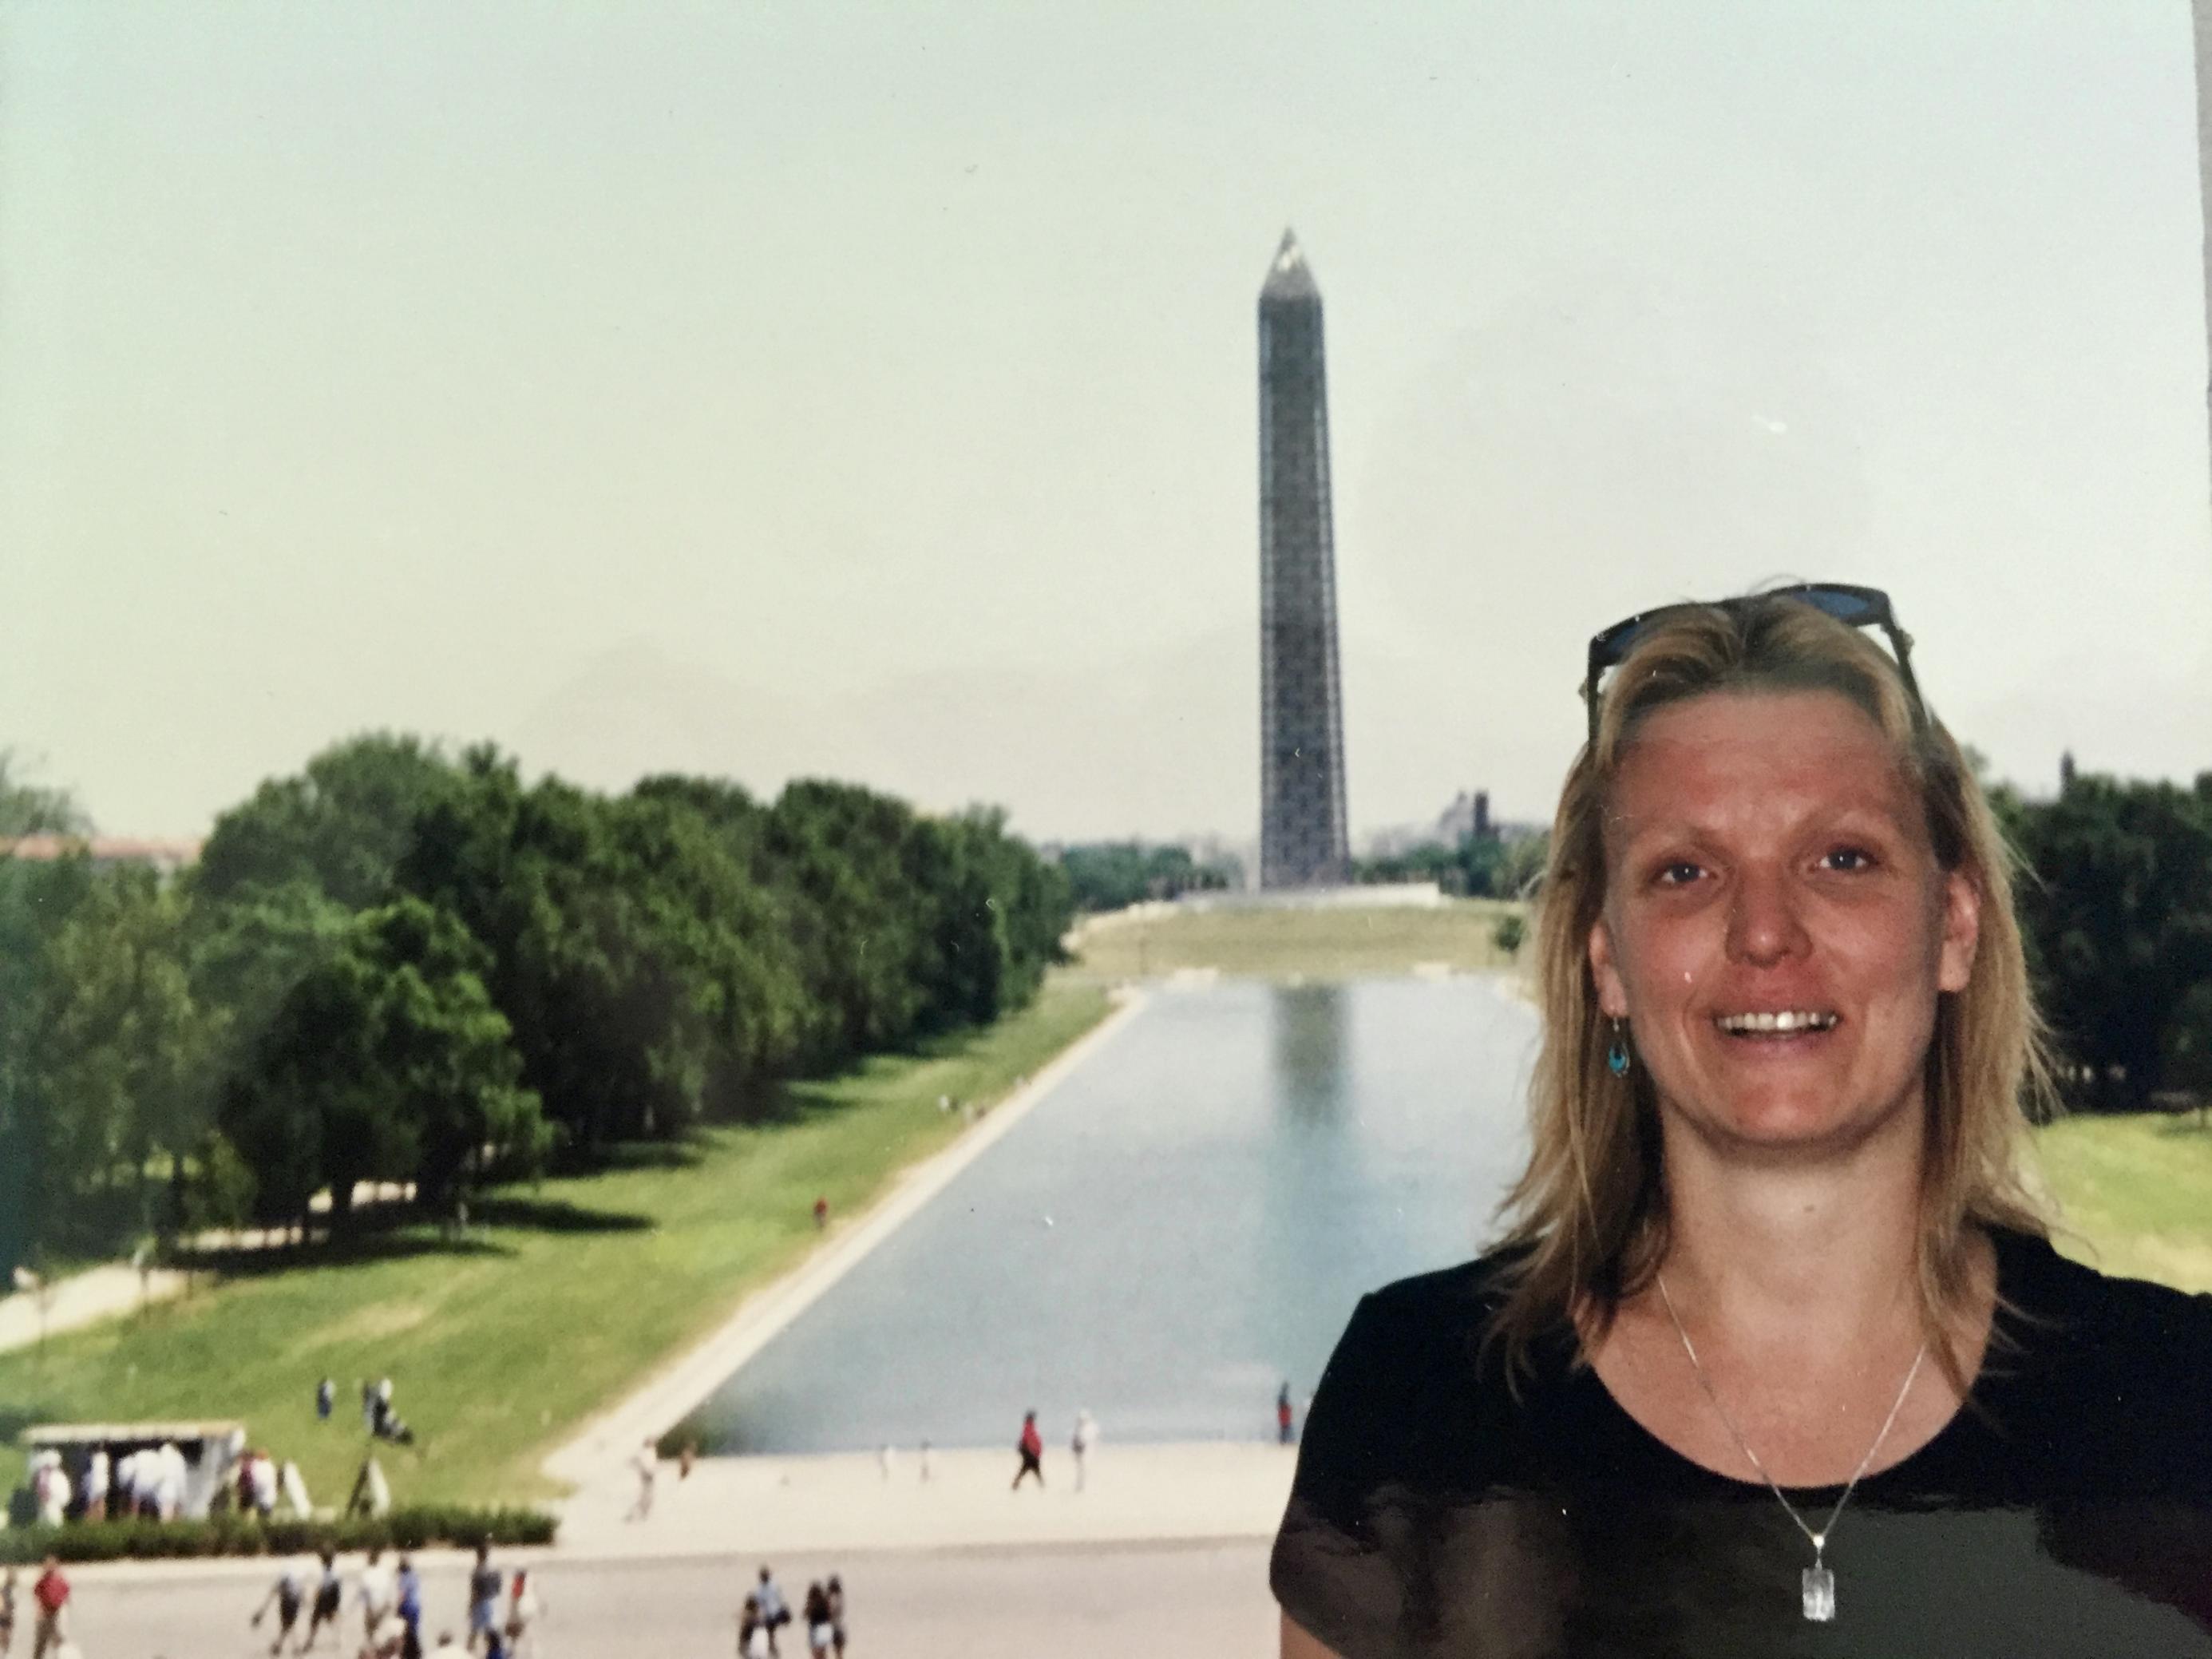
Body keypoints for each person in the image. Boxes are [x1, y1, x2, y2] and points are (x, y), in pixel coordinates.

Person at [1270, 586, 2212, 1658]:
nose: (1762, 930)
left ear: (1952, 925)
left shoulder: (2174, 1405)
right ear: (1605, 962)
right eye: (1685, 870)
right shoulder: (1418, 1413)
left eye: (1839, 858)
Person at [250, 1557, 307, 1657]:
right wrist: (304, 1602)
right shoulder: (296, 1578)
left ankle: (288, 1646)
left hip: (287, 1602)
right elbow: (301, 1591)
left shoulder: (284, 1578)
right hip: (295, 1602)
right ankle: (281, 1645)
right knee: (288, 1624)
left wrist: (263, 1609)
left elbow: (275, 1590)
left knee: (287, 1624)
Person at [356, 1546, 396, 1650]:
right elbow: (390, 1595)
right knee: (383, 1638)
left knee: (371, 1637)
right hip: (384, 1608)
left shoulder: (366, 1574)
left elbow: (364, 1596)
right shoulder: (385, 1572)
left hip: (373, 1609)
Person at [304, 1546, 344, 1649]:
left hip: (325, 1598)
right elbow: (338, 1587)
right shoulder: (336, 1570)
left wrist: (312, 1599)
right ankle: (338, 1640)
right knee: (330, 1619)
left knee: (315, 1620)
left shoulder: (326, 1572)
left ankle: (310, 1641)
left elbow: (320, 1588)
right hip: (333, 1598)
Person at [465, 1542, 501, 1654]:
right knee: (489, 1632)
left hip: (480, 1603)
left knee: (474, 1632)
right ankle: (490, 1654)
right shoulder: (495, 1570)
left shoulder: (477, 1571)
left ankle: (468, 1654)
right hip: (492, 1602)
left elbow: (474, 1593)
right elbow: (498, 1589)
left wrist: (470, 1608)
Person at [27, 1558, 66, 1659]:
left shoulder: (58, 1580)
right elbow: (36, 1592)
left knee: (54, 1639)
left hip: (54, 1612)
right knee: (42, 1640)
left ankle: (59, 1654)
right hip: (46, 1612)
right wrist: (39, 1608)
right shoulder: (43, 1580)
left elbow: (65, 1591)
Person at [504, 1569, 541, 1658]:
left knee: (517, 1634)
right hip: (524, 1614)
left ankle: (514, 1653)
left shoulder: (518, 1586)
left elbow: (515, 1602)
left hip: (518, 1615)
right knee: (520, 1635)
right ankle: (513, 1652)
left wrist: (511, 1617)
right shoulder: (527, 1586)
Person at [753, 1566, 789, 1657]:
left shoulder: (760, 1589)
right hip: (774, 1613)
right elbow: (780, 1599)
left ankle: (774, 1652)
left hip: (770, 1615)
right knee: (770, 1635)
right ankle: (774, 1652)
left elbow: (759, 1604)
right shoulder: (773, 1586)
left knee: (770, 1635)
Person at [1011, 1411, 1044, 1491]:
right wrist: (1035, 1451)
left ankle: (1015, 1484)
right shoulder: (1029, 1428)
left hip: (1030, 1453)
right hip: (1031, 1454)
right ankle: (1042, 1485)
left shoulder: (1028, 1427)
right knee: (1031, 1469)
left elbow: (1028, 1440)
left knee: (1027, 1469)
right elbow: (1030, 1440)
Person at [627, 1438, 657, 1522]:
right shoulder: (644, 1452)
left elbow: (651, 1463)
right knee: (646, 1495)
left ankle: (642, 1513)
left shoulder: (651, 1451)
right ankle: (637, 1513)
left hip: (649, 1474)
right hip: (646, 1475)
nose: (653, 1444)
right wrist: (642, 1469)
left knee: (648, 1495)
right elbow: (635, 1461)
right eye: (651, 1443)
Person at [802, 1583, 833, 1658]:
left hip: (816, 1628)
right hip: (824, 1627)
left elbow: (805, 1615)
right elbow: (830, 1615)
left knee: (816, 1653)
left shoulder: (811, 1602)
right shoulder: (825, 1601)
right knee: (822, 1653)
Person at [1070, 1408, 1098, 1491]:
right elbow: (1075, 1440)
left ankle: (1084, 1486)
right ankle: (1080, 1486)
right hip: (1079, 1452)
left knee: (1086, 1469)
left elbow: (1090, 1439)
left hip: (1087, 1451)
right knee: (1080, 1469)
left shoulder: (1091, 1428)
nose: (1081, 1421)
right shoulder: (1078, 1428)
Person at [824, 1574, 847, 1658]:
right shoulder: (840, 1597)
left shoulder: (832, 1598)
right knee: (839, 1653)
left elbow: (831, 1612)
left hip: (833, 1627)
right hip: (838, 1627)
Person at [1276, 1382, 1295, 1446]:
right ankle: (1286, 1442)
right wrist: (1288, 1407)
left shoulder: (1282, 1396)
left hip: (1284, 1414)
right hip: (1284, 1414)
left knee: (1284, 1429)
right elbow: (1282, 1405)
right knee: (1286, 1428)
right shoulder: (1283, 1396)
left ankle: (1284, 1442)